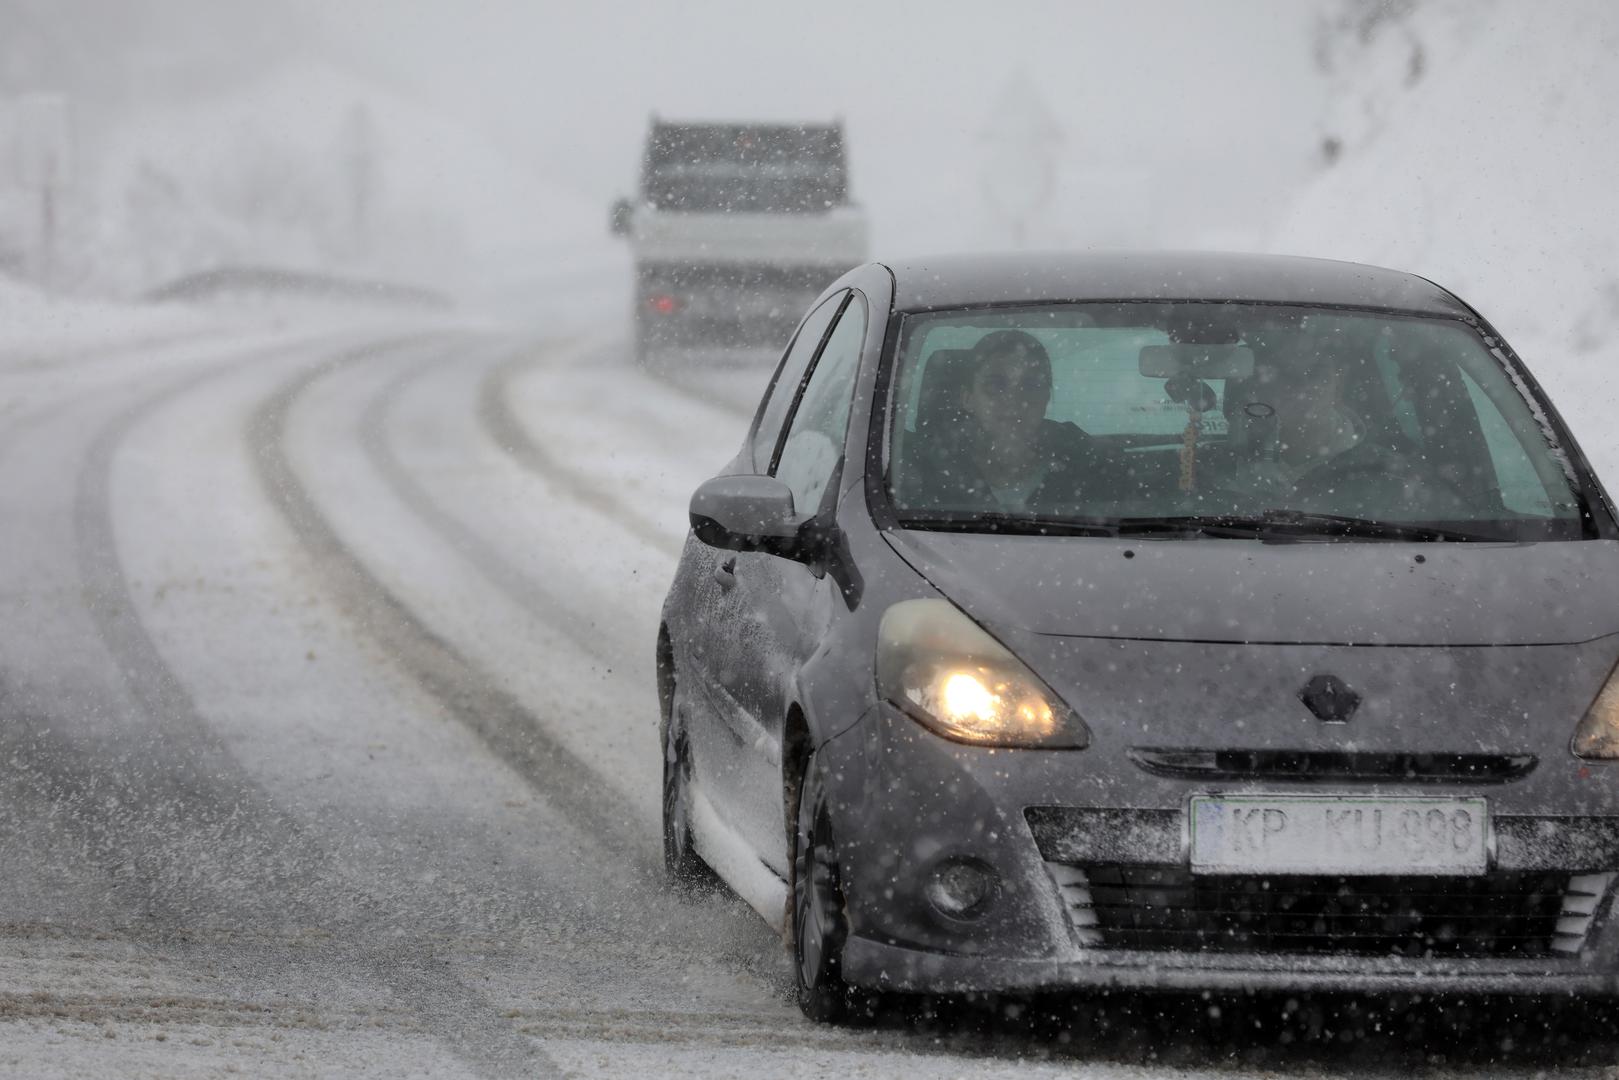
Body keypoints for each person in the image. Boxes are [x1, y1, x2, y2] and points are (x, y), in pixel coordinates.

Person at [910, 329, 1115, 513]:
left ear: (1046, 398)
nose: (1015, 400)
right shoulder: (922, 471)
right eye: (996, 385)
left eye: (1031, 384)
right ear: (968, 399)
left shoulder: (1088, 464)